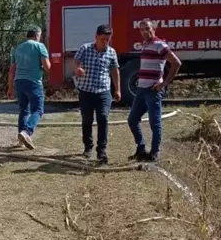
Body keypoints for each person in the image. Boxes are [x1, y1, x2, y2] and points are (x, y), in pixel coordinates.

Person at [128, 19, 181, 162]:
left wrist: (163, 84)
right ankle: (141, 150)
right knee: (132, 119)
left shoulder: (160, 45)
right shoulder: (145, 45)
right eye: (142, 29)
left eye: (148, 29)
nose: (145, 32)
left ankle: (155, 153)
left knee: (154, 122)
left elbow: (176, 63)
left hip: (153, 90)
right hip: (141, 89)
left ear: (154, 29)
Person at [73, 24, 121, 164]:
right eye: (102, 39)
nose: (105, 42)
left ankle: (102, 151)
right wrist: (77, 69)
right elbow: (75, 62)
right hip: (86, 91)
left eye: (107, 39)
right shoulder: (85, 48)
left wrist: (117, 89)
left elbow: (114, 71)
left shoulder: (111, 52)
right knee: (87, 119)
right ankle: (88, 147)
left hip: (103, 91)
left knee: (103, 118)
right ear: (96, 37)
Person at [7, 26, 51, 149]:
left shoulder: (17, 49)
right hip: (33, 82)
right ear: (37, 35)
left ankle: (21, 139)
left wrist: (10, 88)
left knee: (24, 110)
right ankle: (27, 132)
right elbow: (47, 67)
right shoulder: (40, 46)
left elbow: (11, 70)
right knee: (38, 110)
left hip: (19, 82)